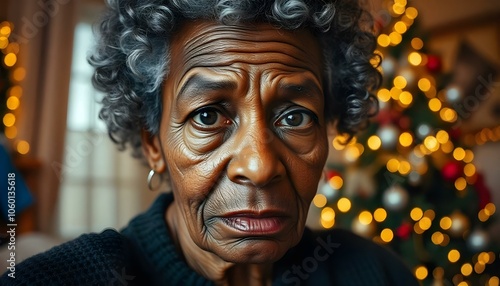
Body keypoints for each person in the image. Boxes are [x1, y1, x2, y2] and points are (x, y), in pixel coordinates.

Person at [1, 0, 419, 285]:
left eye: (294, 117)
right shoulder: (76, 276)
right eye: (208, 116)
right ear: (153, 143)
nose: (259, 166)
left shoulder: (374, 272)